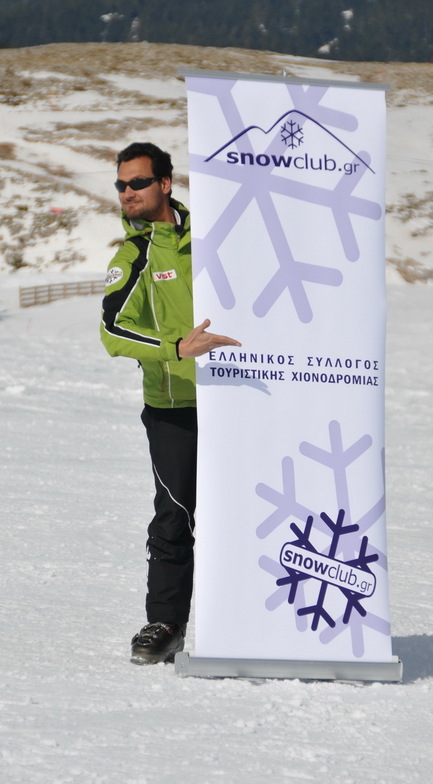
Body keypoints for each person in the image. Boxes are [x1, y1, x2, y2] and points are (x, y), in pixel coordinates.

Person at [100, 142, 241, 664]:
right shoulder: (133, 255)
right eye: (121, 184)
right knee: (176, 514)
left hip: (242, 396)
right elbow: (113, 331)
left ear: (165, 183)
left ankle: (258, 617)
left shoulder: (212, 237)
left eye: (137, 182)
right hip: (174, 406)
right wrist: (175, 349)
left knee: (250, 508)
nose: (127, 193)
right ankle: (165, 622)